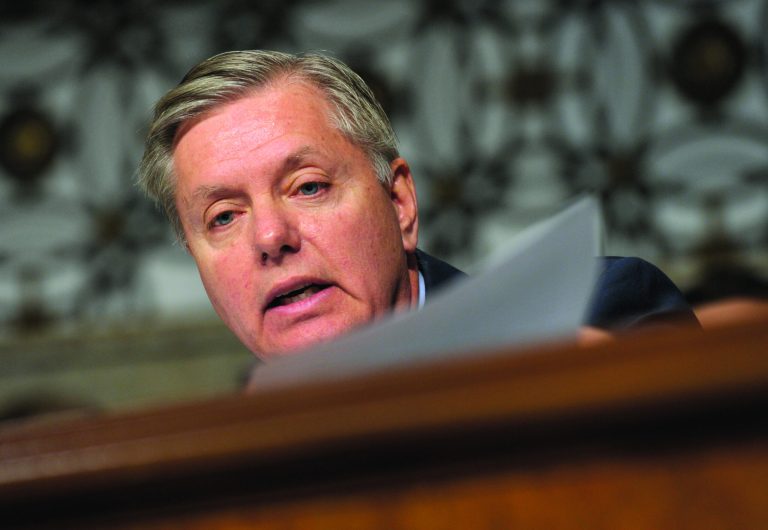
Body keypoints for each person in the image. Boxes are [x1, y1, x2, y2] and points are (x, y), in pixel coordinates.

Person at [138, 50, 697, 360]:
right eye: (223, 217)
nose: (269, 237)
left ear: (400, 202)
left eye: (308, 187)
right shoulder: (226, 459)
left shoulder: (593, 315)